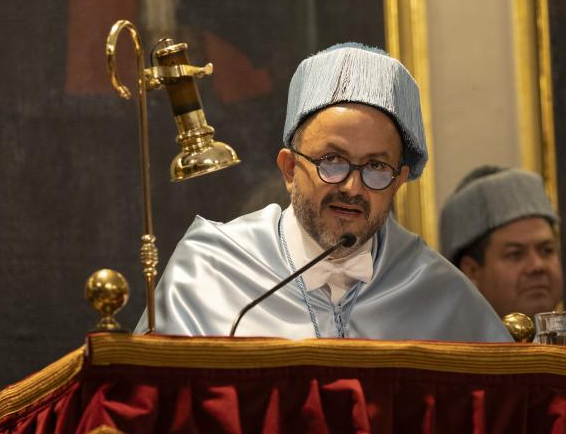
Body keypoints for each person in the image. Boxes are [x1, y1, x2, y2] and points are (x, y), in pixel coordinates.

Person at [136, 43, 511, 342]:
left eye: (377, 167)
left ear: (399, 181)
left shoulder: (435, 289)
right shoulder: (211, 270)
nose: (352, 187)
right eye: (332, 160)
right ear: (289, 169)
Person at [439, 166, 563, 318]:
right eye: (516, 254)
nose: (537, 266)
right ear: (471, 271)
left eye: (547, 250)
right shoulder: (447, 339)